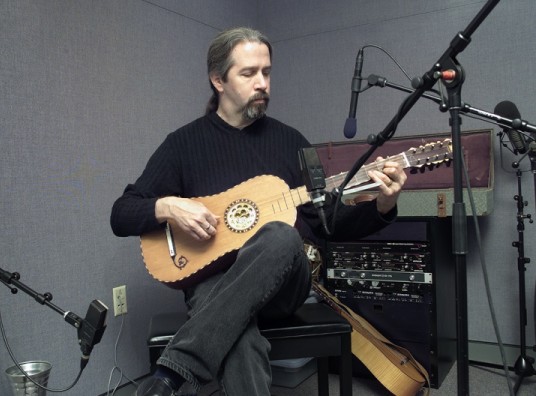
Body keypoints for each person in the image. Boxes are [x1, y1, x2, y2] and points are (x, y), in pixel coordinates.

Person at [110, 27, 407, 396]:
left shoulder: (291, 142)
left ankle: (173, 370)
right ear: (218, 79)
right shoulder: (182, 145)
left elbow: (330, 224)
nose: (262, 82)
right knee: (238, 337)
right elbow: (121, 214)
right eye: (249, 73)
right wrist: (166, 206)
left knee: (282, 235)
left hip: (286, 282)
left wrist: (383, 204)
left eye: (266, 72)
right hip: (214, 283)